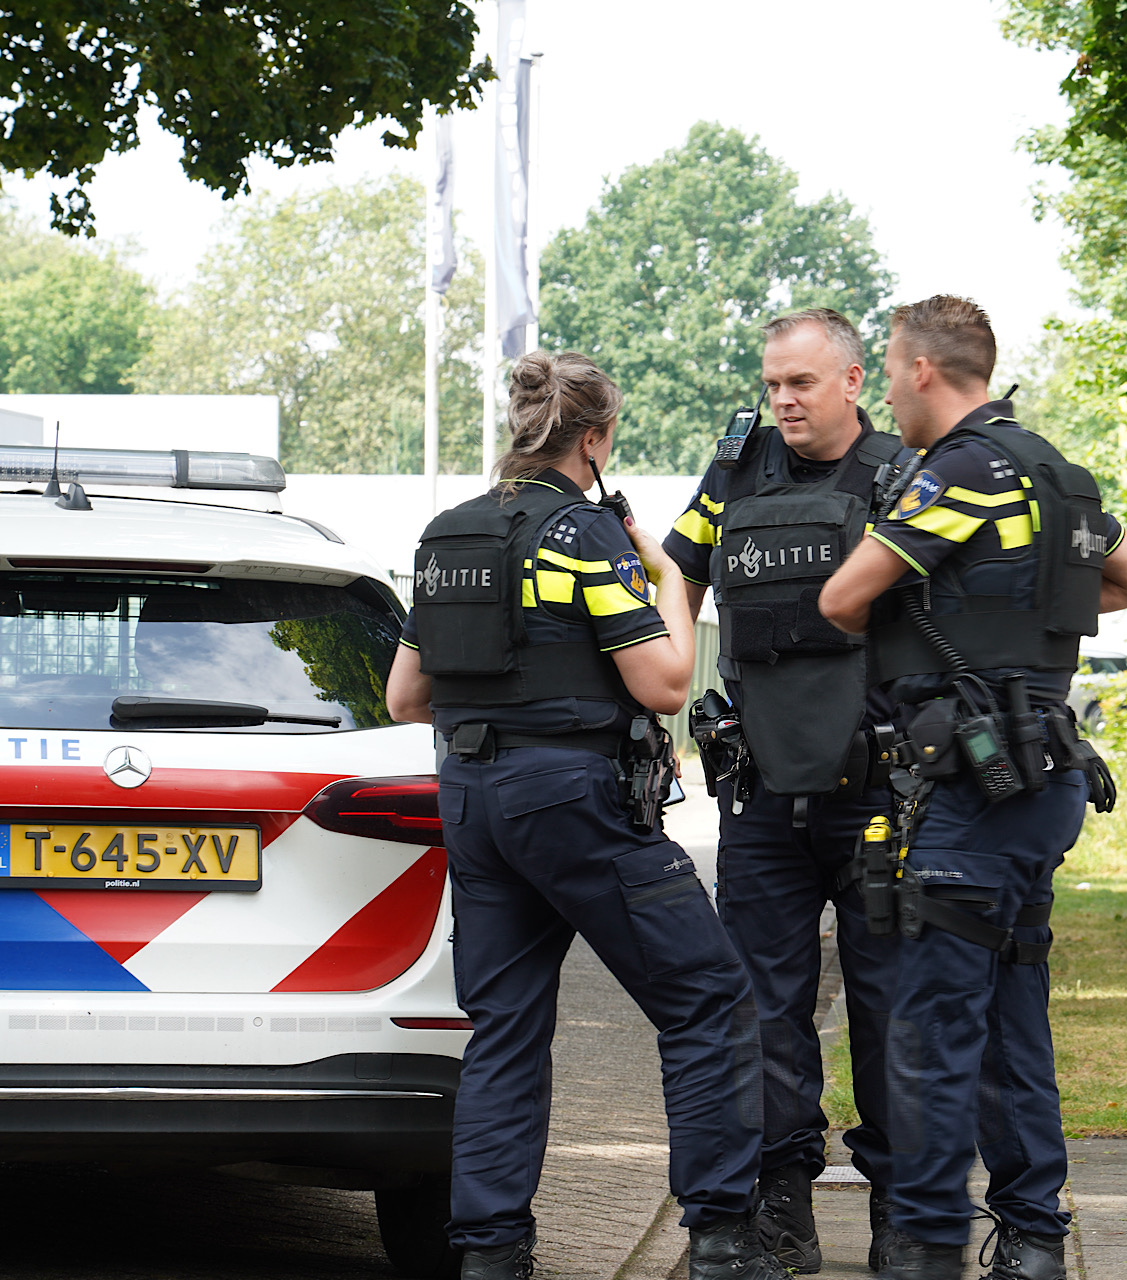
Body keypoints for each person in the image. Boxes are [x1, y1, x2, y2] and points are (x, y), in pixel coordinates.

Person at [385, 350, 786, 1280]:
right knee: (709, 999)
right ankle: (722, 1240)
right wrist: (670, 575)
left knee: (506, 1027)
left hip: (475, 803)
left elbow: (408, 696)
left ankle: (489, 1255)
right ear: (596, 439)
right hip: (576, 802)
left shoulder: (447, 536)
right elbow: (667, 682)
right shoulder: (584, 536)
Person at [818, 297, 1127, 1280]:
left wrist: (947, 595)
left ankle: (928, 1246)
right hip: (1042, 774)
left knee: (933, 1023)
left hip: (971, 790)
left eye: (889, 369)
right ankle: (1032, 1238)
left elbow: (843, 598)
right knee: (1014, 1013)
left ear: (924, 370)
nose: (887, 387)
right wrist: (1016, 601)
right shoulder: (1060, 470)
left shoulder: (963, 471)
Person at [663, 308, 904, 1272]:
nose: (783, 401)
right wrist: (684, 679)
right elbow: (673, 571)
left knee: (892, 1008)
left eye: (801, 383)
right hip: (761, 793)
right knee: (764, 1009)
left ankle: (903, 1214)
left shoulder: (899, 474)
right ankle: (780, 1211)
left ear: (853, 381)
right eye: (772, 384)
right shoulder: (735, 473)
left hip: (881, 790)